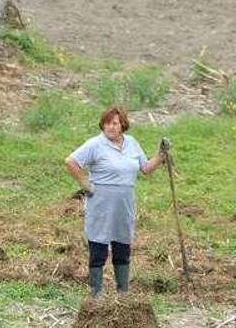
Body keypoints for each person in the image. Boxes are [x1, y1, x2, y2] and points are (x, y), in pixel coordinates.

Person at [64, 106, 165, 297]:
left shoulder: (132, 143)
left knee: (122, 245)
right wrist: (86, 183)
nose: (110, 127)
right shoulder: (95, 144)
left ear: (122, 125)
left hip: (124, 204)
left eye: (115, 123)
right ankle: (96, 292)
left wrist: (160, 156)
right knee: (99, 246)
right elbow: (71, 161)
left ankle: (122, 292)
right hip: (101, 203)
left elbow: (145, 168)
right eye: (107, 123)